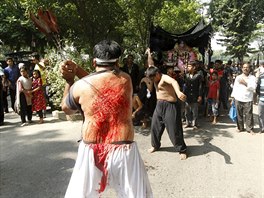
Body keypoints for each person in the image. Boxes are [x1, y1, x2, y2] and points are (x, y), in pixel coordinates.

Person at [60, 40, 153, 198]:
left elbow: (66, 108)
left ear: (94, 62)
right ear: (118, 62)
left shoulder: (80, 86)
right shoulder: (126, 80)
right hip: (124, 148)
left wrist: (70, 81)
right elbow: (101, 78)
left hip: (91, 149)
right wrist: (76, 70)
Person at [145, 48, 187, 160]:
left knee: (174, 129)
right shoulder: (153, 74)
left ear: (158, 73)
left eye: (153, 77)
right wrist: (149, 53)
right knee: (155, 126)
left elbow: (174, 82)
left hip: (170, 106)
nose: (152, 80)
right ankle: (155, 145)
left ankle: (182, 149)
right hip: (159, 105)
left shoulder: (164, 77)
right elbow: (150, 64)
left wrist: (178, 92)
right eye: (151, 78)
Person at [231, 63, 256, 134]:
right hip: (238, 98)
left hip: (248, 99)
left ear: (249, 69)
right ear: (242, 69)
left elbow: (253, 88)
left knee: (249, 115)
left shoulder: (252, 78)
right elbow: (235, 88)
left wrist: (245, 83)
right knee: (239, 114)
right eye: (244, 67)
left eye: (247, 67)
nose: (245, 69)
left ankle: (250, 129)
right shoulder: (238, 77)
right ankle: (240, 128)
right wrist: (233, 97)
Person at [183, 61, 203, 129]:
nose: (188, 68)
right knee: (187, 110)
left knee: (195, 111)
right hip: (187, 95)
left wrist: (200, 95)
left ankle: (195, 123)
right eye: (188, 66)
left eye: (190, 66)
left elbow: (200, 86)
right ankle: (188, 122)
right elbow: (185, 85)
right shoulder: (186, 75)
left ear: (194, 67)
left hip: (195, 95)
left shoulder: (198, 76)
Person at [256, 61, 264, 133]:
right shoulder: (260, 76)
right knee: (260, 114)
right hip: (261, 99)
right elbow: (256, 87)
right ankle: (262, 128)